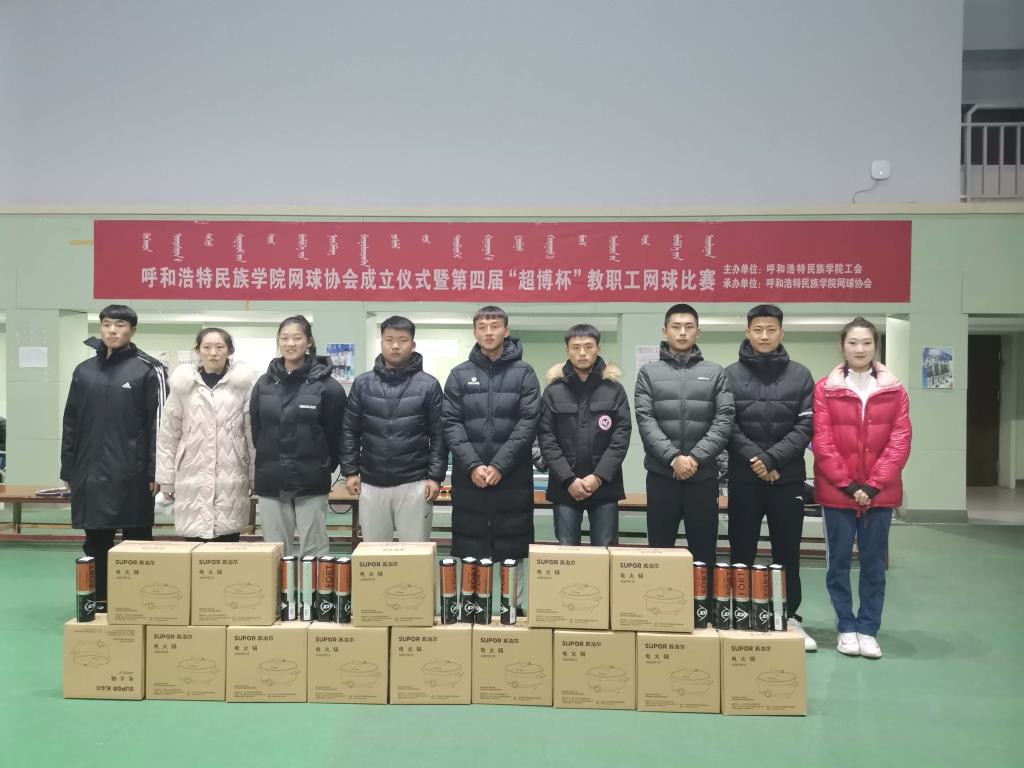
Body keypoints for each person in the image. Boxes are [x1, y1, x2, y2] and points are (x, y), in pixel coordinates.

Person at [813, 316, 911, 659]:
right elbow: (822, 441)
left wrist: (872, 485)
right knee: (838, 563)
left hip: (879, 495)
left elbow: (900, 440)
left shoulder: (894, 390)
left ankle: (868, 628)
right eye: (853, 342)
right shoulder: (825, 388)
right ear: (842, 346)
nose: (859, 349)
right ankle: (846, 626)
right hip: (837, 493)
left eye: (866, 342)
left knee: (873, 565)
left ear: (875, 346)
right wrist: (847, 484)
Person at [60, 304, 168, 611]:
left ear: (132, 330)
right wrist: (68, 467)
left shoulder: (149, 369)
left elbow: (160, 424)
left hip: (133, 473)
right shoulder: (84, 370)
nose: (112, 330)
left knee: (137, 540)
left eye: (120, 325)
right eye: (107, 324)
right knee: (96, 541)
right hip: (90, 471)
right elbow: (71, 421)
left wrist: (156, 471)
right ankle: (98, 599)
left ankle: (140, 601)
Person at [725, 305, 816, 650]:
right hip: (744, 477)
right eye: (758, 329)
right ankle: (740, 613)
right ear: (747, 332)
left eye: (771, 329)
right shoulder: (730, 375)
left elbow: (806, 425)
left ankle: (789, 616)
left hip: (787, 478)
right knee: (741, 548)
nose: (764, 336)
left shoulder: (801, 375)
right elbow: (727, 424)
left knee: (787, 550)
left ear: (781, 332)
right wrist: (757, 459)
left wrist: (773, 458)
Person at [442, 306, 539, 600]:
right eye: (482, 327)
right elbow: (451, 423)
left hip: (512, 478)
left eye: (495, 326)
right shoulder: (459, 375)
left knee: (514, 548)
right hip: (469, 478)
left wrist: (499, 465)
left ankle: (514, 608)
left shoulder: (524, 373)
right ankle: (472, 608)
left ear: (506, 331)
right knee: (470, 547)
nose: (488, 332)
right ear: (474, 332)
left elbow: (528, 423)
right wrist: (472, 465)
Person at [634, 303, 734, 567]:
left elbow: (724, 419)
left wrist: (694, 458)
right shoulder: (648, 373)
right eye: (676, 326)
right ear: (664, 331)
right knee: (659, 552)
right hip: (661, 476)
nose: (682, 332)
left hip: (703, 476)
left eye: (689, 327)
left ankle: (703, 597)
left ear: (698, 332)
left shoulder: (715, 373)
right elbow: (645, 420)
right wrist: (673, 459)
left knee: (703, 552)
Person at [341, 316, 446, 542]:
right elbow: (350, 430)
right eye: (389, 340)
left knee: (415, 552)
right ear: (381, 343)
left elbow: (439, 435)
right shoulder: (363, 384)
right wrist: (350, 472)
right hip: (371, 481)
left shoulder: (429, 385)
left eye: (402, 340)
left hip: (415, 482)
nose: (395, 346)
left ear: (413, 344)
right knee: (374, 551)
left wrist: (435, 477)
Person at [250, 316, 347, 558]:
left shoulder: (328, 387)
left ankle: (313, 585)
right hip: (271, 477)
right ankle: (277, 585)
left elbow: (336, 434)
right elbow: (257, 429)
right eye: (284, 338)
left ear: (309, 342)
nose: (290, 343)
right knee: (274, 549)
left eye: (297, 338)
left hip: (311, 478)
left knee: (314, 549)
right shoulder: (264, 384)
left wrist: (323, 464)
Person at [156, 328, 255, 542]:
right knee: (194, 542)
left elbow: (251, 433)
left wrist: (254, 475)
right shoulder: (183, 385)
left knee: (227, 542)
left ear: (229, 350)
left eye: (219, 347)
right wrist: (166, 479)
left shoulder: (243, 386)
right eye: (207, 347)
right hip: (191, 471)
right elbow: (168, 434)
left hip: (231, 472)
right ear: (197, 351)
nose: (213, 353)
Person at [538, 323, 631, 547]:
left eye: (588, 346)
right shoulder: (553, 391)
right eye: (576, 347)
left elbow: (621, 438)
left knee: (605, 550)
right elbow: (546, 438)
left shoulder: (614, 389)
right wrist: (569, 479)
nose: (582, 353)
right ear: (567, 351)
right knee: (567, 551)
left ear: (598, 348)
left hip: (605, 485)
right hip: (565, 486)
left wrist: (598, 477)